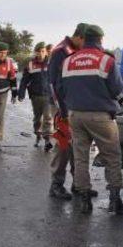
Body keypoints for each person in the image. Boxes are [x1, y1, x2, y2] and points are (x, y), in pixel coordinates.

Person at [61, 25, 123, 214]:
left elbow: (63, 89)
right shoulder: (106, 60)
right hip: (101, 117)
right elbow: (117, 90)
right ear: (100, 40)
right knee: (112, 157)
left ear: (83, 38)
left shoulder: (68, 61)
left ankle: (84, 200)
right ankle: (115, 200)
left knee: (80, 157)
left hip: (75, 115)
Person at [46, 23, 89, 200]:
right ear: (79, 37)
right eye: (86, 42)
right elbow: (53, 83)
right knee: (63, 146)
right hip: (61, 106)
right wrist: (62, 111)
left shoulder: (75, 50)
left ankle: (78, 184)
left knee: (76, 145)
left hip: (73, 106)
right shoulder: (61, 51)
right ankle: (56, 185)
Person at [18, 42, 53, 151]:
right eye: (38, 51)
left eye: (43, 51)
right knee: (37, 119)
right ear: (35, 52)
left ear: (46, 52)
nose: (41, 53)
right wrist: (21, 93)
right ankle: (38, 135)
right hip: (36, 96)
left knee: (48, 118)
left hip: (49, 95)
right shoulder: (30, 64)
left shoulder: (52, 63)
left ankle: (47, 139)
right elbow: (24, 80)